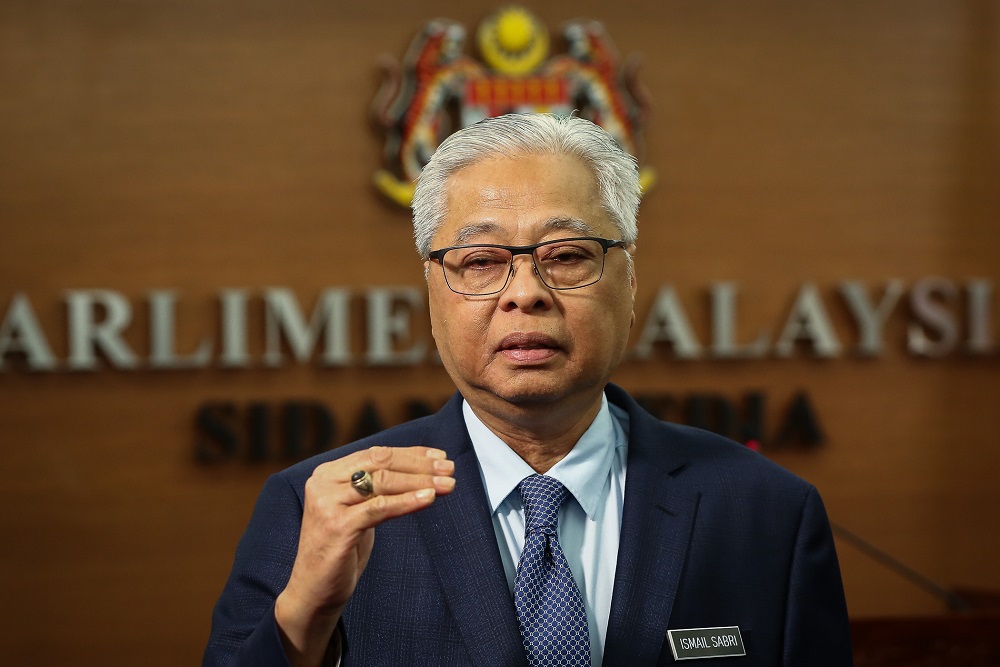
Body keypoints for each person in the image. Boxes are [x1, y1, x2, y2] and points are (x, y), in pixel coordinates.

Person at [204, 113, 852, 667]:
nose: (525, 291)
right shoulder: (317, 507)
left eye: (567, 254)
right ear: (431, 293)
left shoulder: (770, 513)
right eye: (481, 262)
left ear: (628, 284)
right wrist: (302, 618)